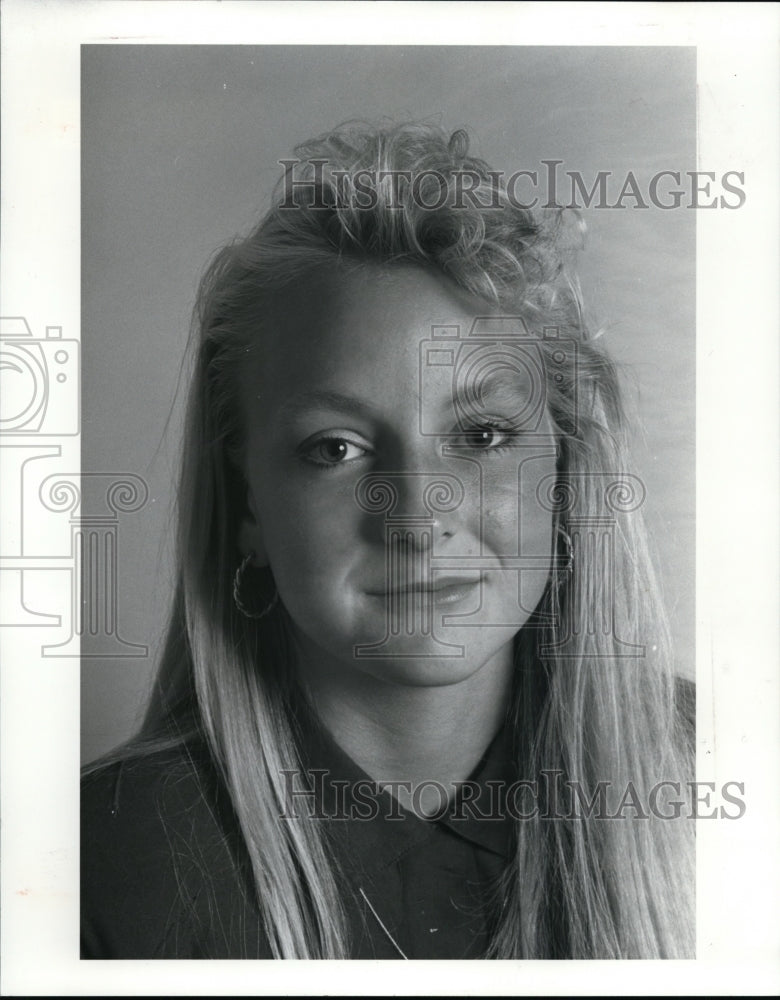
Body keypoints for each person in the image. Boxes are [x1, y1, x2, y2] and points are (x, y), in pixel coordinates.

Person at [81, 121, 695, 960]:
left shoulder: (722, 779)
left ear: (566, 470)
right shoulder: (96, 868)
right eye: (335, 449)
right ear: (249, 505)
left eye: (479, 437)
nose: (415, 518)